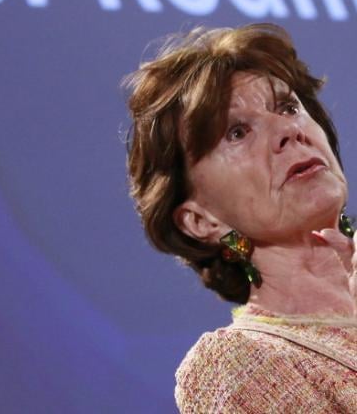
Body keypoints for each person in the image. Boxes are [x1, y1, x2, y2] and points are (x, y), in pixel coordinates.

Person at [123, 23, 357, 413]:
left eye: (288, 107)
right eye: (237, 132)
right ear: (201, 221)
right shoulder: (234, 366)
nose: (288, 130)